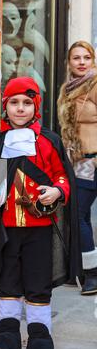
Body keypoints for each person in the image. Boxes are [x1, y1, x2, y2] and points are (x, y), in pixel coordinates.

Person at [0, 77, 81, 349]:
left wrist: (57, 191)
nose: (20, 108)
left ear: (36, 107)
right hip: (4, 229)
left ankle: (39, 345)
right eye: (14, 102)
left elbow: (62, 176)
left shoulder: (49, 140)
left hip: (40, 229)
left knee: (37, 284)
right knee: (7, 283)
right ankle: (6, 342)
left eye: (26, 103)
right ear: (4, 107)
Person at [58, 41, 97, 295]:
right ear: (69, 62)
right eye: (76, 58)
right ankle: (80, 269)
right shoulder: (67, 88)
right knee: (78, 215)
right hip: (78, 161)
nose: (81, 62)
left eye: (86, 57)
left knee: (78, 214)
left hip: (92, 160)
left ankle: (92, 274)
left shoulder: (94, 85)